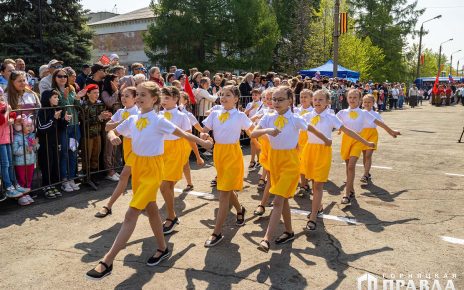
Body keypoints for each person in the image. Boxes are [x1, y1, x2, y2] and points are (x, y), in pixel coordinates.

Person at [85, 81, 212, 280]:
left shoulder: (159, 120)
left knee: (131, 213)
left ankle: (107, 261)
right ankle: (162, 248)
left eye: (144, 94)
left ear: (155, 99)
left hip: (153, 169)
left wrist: (203, 142)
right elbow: (112, 130)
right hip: (138, 168)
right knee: (151, 208)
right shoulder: (133, 118)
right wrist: (112, 137)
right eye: (138, 94)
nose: (139, 97)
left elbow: (184, 133)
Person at [250, 86, 331, 253]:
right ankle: (289, 231)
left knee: (278, 200)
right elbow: (253, 134)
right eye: (274, 99)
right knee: (284, 199)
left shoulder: (295, 118)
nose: (276, 102)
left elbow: (311, 128)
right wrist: (267, 130)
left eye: (281, 99)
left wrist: (326, 139)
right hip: (274, 162)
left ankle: (266, 239)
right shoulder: (268, 117)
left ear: (290, 101)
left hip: (291, 163)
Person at [302, 90, 374, 231]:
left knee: (318, 185)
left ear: (328, 102)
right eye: (315, 99)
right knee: (311, 180)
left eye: (321, 99)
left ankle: (313, 218)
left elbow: (348, 131)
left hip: (323, 152)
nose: (317, 102)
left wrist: (365, 141)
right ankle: (319, 206)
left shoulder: (331, 117)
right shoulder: (307, 116)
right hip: (309, 151)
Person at [200, 85, 253, 247]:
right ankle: (240, 209)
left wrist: (265, 143)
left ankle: (217, 232)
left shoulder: (240, 115)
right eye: (222, 94)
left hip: (233, 154)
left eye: (228, 95)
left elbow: (252, 132)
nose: (223, 97)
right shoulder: (215, 113)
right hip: (219, 154)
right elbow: (204, 130)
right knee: (226, 188)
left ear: (236, 99)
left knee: (223, 192)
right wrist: (204, 135)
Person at [336, 89, 401, 204]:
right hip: (346, 141)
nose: (352, 100)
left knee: (351, 166)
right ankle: (351, 190)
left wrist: (391, 131)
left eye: (355, 98)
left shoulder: (364, 113)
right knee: (348, 167)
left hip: (358, 140)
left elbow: (379, 123)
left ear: (360, 100)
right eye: (350, 97)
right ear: (347, 99)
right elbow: (331, 122)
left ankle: (346, 194)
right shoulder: (342, 113)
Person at [95, 86, 138, 218]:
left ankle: (108, 206)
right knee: (135, 176)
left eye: (127, 96)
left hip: (138, 146)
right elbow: (108, 127)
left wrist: (118, 125)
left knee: (125, 175)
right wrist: (116, 130)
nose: (123, 98)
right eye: (122, 95)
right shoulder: (120, 111)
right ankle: (140, 204)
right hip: (127, 145)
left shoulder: (139, 112)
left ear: (136, 98)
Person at [157, 86, 192, 234]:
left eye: (167, 98)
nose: (163, 101)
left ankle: (171, 216)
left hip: (176, 151)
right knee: (169, 186)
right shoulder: (158, 114)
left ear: (176, 99)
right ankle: (172, 217)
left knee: (164, 186)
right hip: (161, 151)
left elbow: (189, 135)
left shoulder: (182, 116)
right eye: (162, 97)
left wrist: (195, 154)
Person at [51, 69, 86, 192]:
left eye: (65, 76)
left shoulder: (71, 89)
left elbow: (77, 107)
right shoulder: (53, 91)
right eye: (59, 76)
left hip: (75, 125)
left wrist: (77, 97)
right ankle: (64, 180)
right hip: (64, 127)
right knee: (64, 153)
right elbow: (60, 107)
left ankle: (71, 178)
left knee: (73, 153)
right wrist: (65, 98)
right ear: (55, 77)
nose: (63, 78)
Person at [37, 89, 70, 199]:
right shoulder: (42, 111)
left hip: (55, 143)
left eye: (57, 97)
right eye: (55, 97)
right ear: (48, 98)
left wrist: (64, 121)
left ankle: (54, 185)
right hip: (44, 143)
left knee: (55, 164)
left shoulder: (56, 109)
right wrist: (53, 118)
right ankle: (46, 186)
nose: (57, 99)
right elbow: (42, 128)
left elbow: (59, 128)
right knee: (47, 164)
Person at [0, 87, 29, 200]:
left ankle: (14, 184)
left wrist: (16, 118)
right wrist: (8, 111)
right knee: (5, 164)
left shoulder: (4, 105)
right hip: (1, 140)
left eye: (1, 94)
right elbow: (2, 120)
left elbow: (10, 118)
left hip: (7, 138)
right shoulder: (4, 107)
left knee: (11, 163)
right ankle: (8, 187)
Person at [81, 84, 112, 180]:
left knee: (95, 155)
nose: (97, 94)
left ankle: (94, 176)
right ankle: (87, 177)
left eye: (98, 92)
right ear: (88, 94)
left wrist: (106, 116)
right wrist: (99, 117)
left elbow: (102, 117)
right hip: (87, 135)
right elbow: (84, 121)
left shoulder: (100, 104)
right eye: (94, 93)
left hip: (97, 133)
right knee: (87, 156)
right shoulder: (84, 105)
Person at [178, 91, 205, 192]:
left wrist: (205, 135)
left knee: (184, 163)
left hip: (184, 142)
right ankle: (189, 183)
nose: (177, 99)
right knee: (184, 164)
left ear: (185, 101)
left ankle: (188, 183)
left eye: (180, 97)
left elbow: (197, 126)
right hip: (171, 143)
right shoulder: (167, 112)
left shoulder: (187, 114)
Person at [12, 116, 39, 205]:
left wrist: (35, 145)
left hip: (30, 161)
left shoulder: (31, 135)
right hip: (20, 163)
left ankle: (27, 193)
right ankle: (20, 195)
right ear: (20, 126)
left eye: (31, 125)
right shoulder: (16, 137)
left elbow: (36, 148)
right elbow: (14, 150)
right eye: (27, 125)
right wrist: (27, 148)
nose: (29, 128)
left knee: (29, 178)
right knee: (21, 179)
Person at [101, 74, 122, 182]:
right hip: (109, 123)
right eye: (116, 81)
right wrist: (116, 92)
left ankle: (114, 169)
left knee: (115, 148)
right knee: (108, 149)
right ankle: (109, 171)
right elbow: (109, 102)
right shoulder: (105, 92)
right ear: (110, 82)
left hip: (118, 123)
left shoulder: (118, 91)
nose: (118, 83)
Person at [359, 94, 383, 183]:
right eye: (365, 102)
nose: (367, 104)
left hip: (372, 135)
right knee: (365, 155)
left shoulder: (376, 114)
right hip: (362, 134)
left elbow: (382, 124)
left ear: (373, 103)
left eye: (369, 102)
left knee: (368, 155)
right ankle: (367, 172)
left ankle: (365, 175)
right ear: (362, 103)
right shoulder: (360, 113)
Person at [294, 89, 314, 197]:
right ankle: (303, 185)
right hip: (298, 139)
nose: (303, 99)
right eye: (301, 97)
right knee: (299, 162)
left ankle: (305, 183)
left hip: (309, 139)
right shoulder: (296, 111)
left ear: (311, 99)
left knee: (306, 162)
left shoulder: (313, 112)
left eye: (305, 97)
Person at [244, 88, 262, 170]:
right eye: (253, 95)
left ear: (259, 95)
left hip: (259, 125)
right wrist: (251, 108)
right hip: (250, 125)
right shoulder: (249, 104)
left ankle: (255, 160)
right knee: (254, 142)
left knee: (255, 142)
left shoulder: (262, 104)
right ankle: (257, 160)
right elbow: (244, 114)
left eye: (256, 95)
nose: (254, 96)